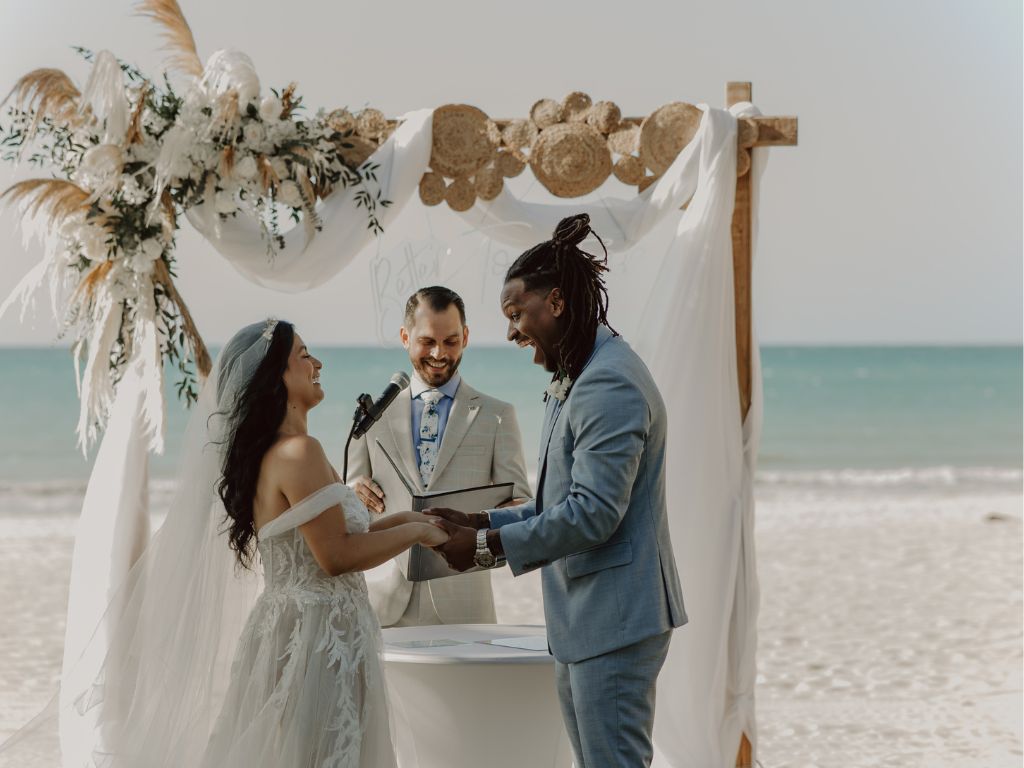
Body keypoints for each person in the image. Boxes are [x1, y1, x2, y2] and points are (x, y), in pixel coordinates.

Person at [17, 320, 447, 768]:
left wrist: (416, 518)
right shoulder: (300, 452)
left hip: (303, 626)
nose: (318, 363)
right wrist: (418, 535)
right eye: (304, 355)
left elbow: (341, 536)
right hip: (318, 636)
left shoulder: (276, 453)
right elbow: (336, 556)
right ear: (276, 375)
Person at [429, 215, 686, 768]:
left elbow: (594, 515)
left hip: (613, 623)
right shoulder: (583, 370)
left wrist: (482, 551)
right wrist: (481, 522)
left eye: (517, 314)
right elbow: (559, 505)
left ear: (558, 303)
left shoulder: (607, 381)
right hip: (588, 622)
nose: (512, 332)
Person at [348, 286, 531, 627]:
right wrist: (353, 490)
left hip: (465, 605)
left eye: (450, 341)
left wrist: (490, 519)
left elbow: (522, 505)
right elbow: (352, 510)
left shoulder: (498, 415)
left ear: (466, 337)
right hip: (382, 605)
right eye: (427, 341)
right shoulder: (373, 415)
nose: (439, 353)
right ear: (405, 336)